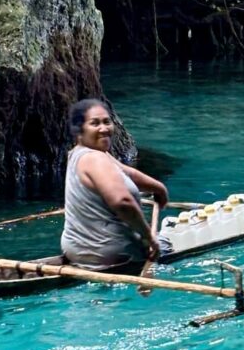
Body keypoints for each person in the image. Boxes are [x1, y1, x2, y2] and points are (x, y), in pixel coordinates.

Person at [61, 98, 168, 268]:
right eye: (95, 123)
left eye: (107, 122)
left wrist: (159, 188)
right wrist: (149, 237)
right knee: (167, 243)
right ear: (79, 130)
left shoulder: (80, 153)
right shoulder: (95, 159)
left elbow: (126, 172)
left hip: (76, 249)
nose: (104, 128)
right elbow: (122, 202)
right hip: (110, 253)